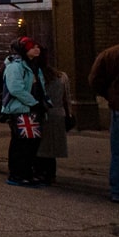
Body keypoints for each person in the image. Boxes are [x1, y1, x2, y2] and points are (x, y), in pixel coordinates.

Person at [0, 36, 49, 187]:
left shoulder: (34, 66)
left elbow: (41, 86)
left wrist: (46, 102)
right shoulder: (15, 67)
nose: (37, 49)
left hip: (33, 109)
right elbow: (16, 89)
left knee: (32, 143)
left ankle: (27, 173)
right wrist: (33, 102)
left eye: (38, 47)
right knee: (21, 143)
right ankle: (17, 174)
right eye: (33, 47)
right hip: (20, 110)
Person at [87, 38, 119, 204]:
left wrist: (110, 96)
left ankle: (118, 190)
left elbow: (95, 80)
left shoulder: (109, 54)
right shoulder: (111, 54)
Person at [32, 49, 72, 186]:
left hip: (40, 113)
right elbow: (66, 98)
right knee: (52, 148)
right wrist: (68, 114)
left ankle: (39, 172)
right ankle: (50, 174)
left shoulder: (34, 76)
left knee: (38, 145)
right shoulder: (61, 76)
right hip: (57, 113)